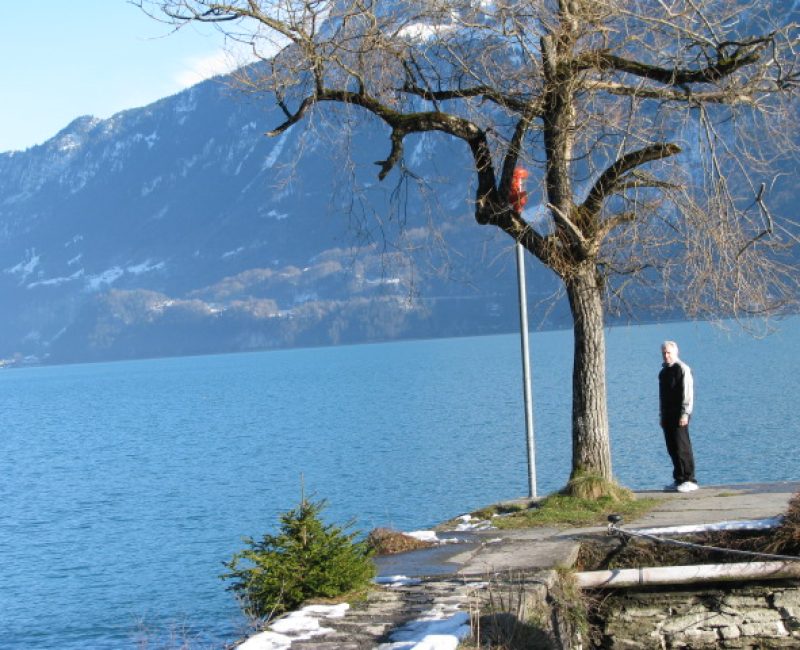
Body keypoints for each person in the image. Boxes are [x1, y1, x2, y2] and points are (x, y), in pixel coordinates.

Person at [658, 340, 698, 493]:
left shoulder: (682, 369)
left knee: (682, 447)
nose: (666, 356)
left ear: (675, 353)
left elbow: (688, 393)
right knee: (672, 448)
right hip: (667, 414)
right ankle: (679, 478)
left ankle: (690, 479)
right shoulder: (663, 373)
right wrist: (661, 415)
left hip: (680, 414)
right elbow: (662, 396)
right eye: (664, 353)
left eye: (668, 352)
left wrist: (685, 413)